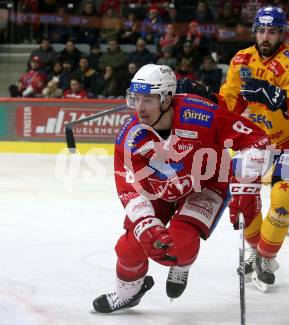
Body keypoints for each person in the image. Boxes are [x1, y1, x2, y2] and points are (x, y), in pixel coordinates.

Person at [92, 64, 271, 313]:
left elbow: (257, 140)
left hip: (206, 184)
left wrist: (248, 185)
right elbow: (129, 187)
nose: (140, 108)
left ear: (166, 98)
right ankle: (129, 293)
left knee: (180, 247)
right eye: (135, 98)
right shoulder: (131, 135)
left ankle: (182, 264)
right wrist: (146, 224)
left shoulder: (202, 114)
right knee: (131, 246)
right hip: (160, 189)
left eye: (148, 99)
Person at [219, 6, 289, 288]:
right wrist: (203, 100)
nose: (266, 37)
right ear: (255, 31)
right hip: (257, 139)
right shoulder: (241, 60)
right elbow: (230, 101)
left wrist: (278, 98)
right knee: (241, 202)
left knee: (284, 198)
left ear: (281, 34)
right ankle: (255, 249)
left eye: (273, 32)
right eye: (262, 31)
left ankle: (266, 256)